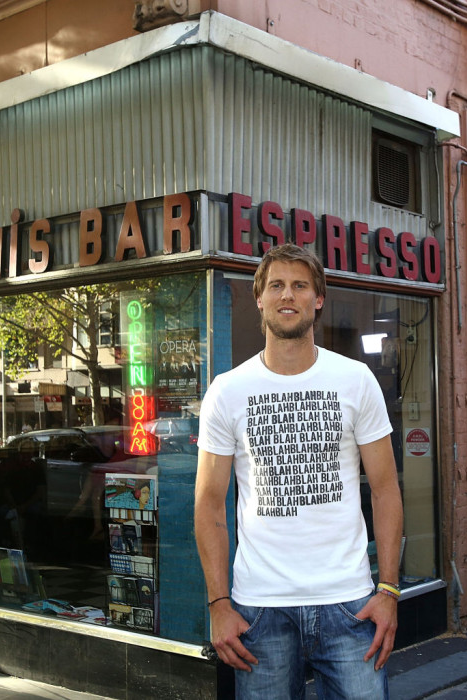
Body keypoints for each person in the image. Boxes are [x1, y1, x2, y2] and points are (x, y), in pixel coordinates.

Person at [195, 243, 403, 699]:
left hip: (350, 603)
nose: (287, 295)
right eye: (276, 286)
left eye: (299, 285)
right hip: (260, 609)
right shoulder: (227, 392)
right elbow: (209, 504)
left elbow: (386, 489)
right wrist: (218, 604)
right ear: (260, 299)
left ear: (318, 298)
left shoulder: (355, 380)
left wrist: (388, 590)